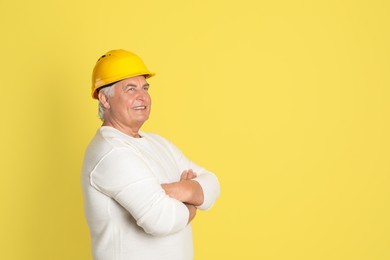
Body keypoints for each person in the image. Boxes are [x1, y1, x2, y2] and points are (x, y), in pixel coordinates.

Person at [81, 49, 220, 260]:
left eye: (144, 88)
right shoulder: (111, 152)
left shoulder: (157, 143)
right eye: (130, 89)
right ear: (104, 99)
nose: (142, 96)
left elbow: (212, 183)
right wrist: (192, 202)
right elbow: (161, 220)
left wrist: (169, 192)